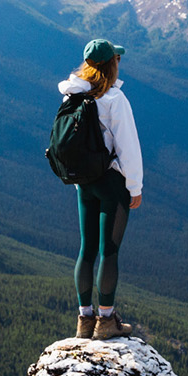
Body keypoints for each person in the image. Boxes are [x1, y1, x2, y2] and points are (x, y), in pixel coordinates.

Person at [60, 38, 143, 340]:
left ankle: (84, 319)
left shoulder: (73, 95)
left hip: (84, 182)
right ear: (112, 63)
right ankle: (106, 320)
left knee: (87, 249)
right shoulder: (114, 99)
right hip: (111, 183)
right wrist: (135, 187)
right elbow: (128, 147)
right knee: (109, 251)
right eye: (117, 59)